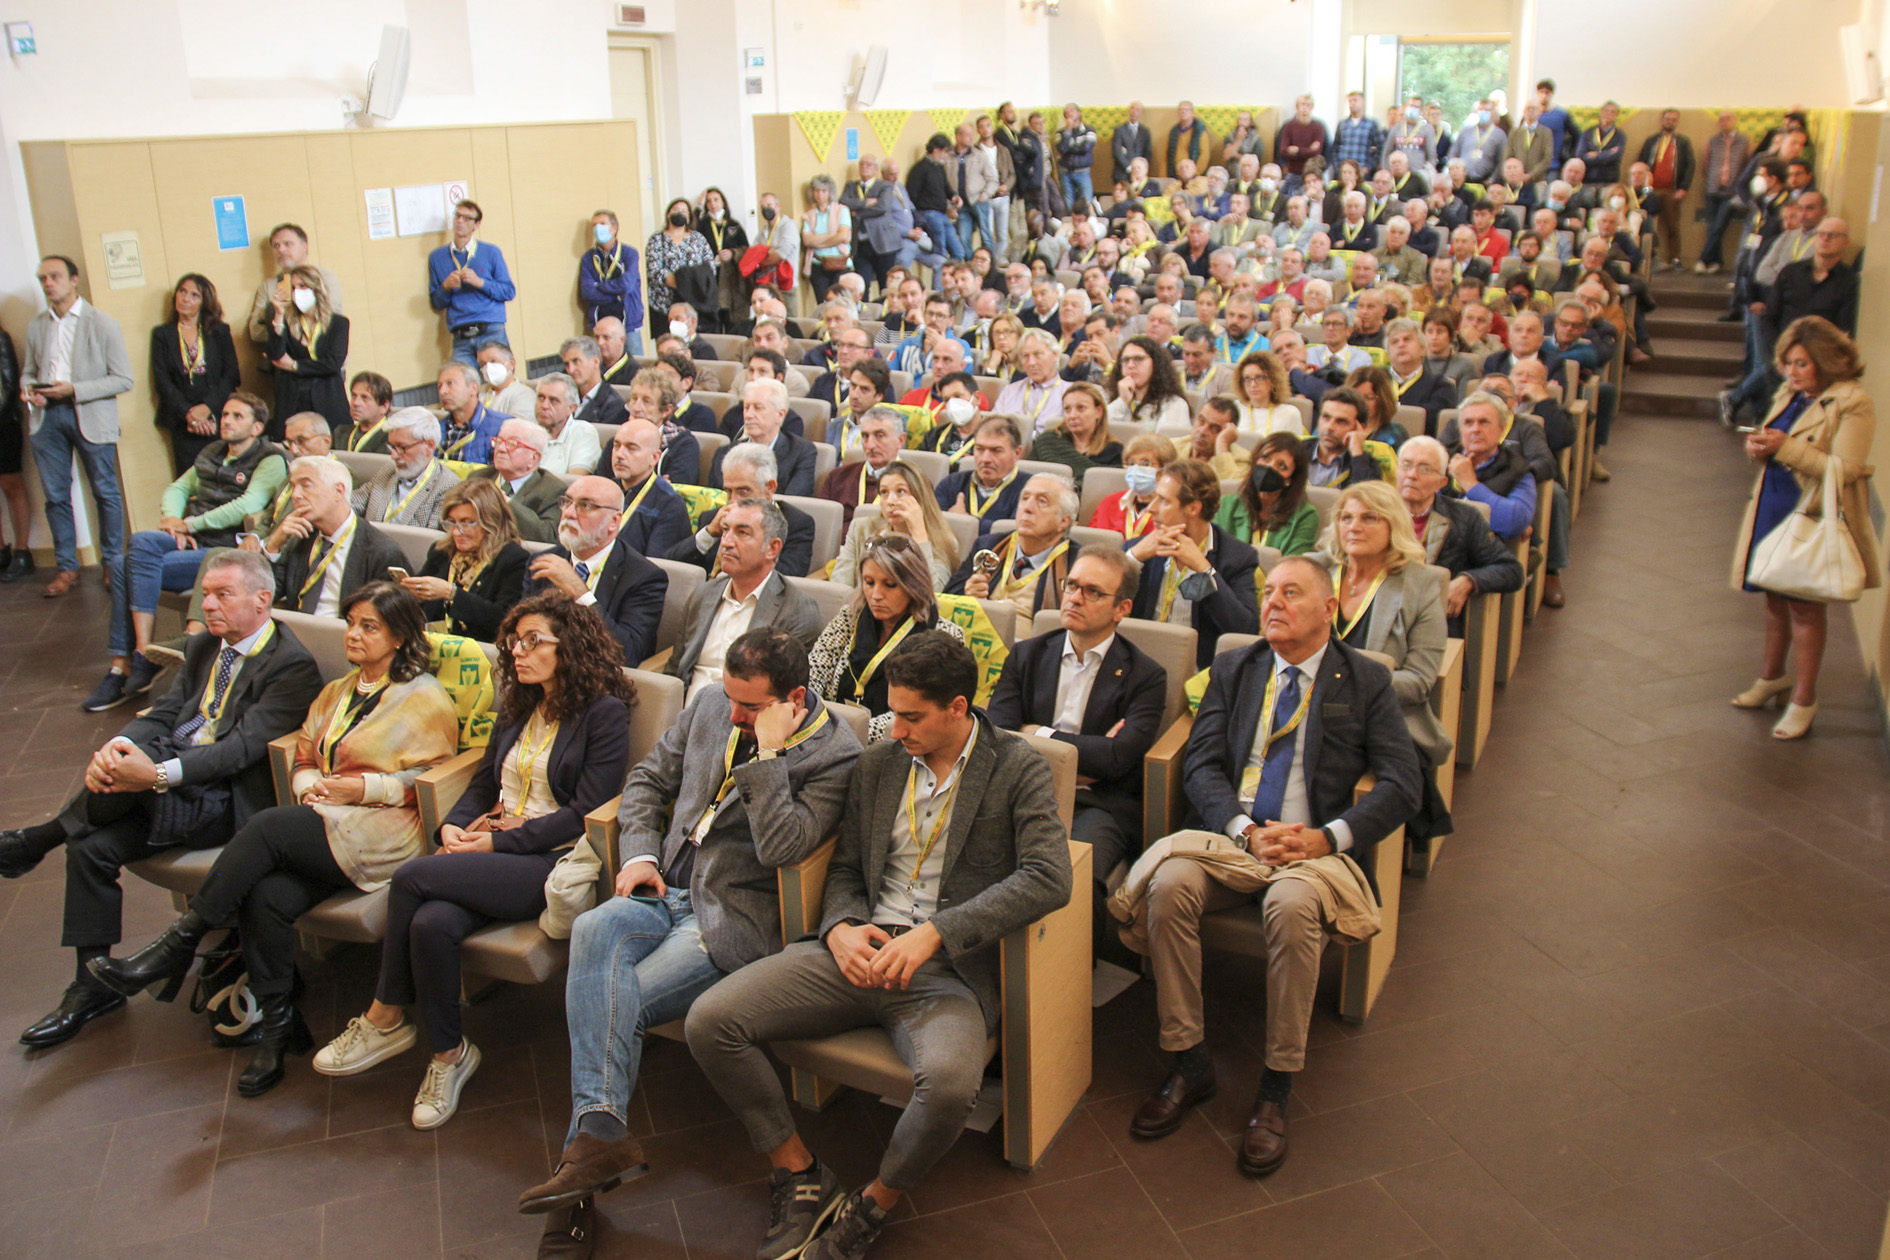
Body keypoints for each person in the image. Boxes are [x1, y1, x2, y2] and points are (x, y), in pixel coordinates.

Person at [684, 631, 1072, 1260]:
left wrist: (937, 933)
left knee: (948, 1086)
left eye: (913, 718)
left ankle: (872, 1205)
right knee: (711, 1021)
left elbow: (1050, 876)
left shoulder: (1017, 766)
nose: (897, 731)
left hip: (943, 969)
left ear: (959, 708)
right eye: (894, 715)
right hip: (856, 949)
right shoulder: (880, 762)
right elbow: (844, 870)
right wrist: (837, 927)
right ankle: (799, 1171)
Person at [517, 627, 861, 1250]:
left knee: (606, 1009)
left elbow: (783, 847)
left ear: (794, 699)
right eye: (730, 699)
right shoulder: (709, 704)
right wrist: (640, 855)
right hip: (660, 886)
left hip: (726, 917)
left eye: (750, 708)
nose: (733, 715)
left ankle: (578, 1185)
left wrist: (769, 756)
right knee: (595, 927)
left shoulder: (837, 755)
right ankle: (596, 1144)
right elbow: (648, 780)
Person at [90, 582, 458, 1094]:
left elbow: (433, 776)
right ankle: (278, 1031)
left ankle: (182, 941)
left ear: (399, 636)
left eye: (368, 626)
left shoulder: (424, 697)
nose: (353, 634)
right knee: (266, 896)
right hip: (323, 819)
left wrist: (361, 787)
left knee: (264, 826)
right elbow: (305, 754)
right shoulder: (337, 691)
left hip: (385, 829)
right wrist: (310, 788)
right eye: (351, 622)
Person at [1134, 555, 1421, 1173]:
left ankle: (1276, 1084)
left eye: (1292, 593)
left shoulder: (1364, 680)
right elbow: (1203, 765)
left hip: (1310, 849)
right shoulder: (1237, 667)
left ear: (1329, 607)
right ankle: (1189, 1060)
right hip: (1236, 839)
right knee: (1168, 885)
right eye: (1269, 592)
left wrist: (1329, 837)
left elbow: (1404, 783)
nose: (1273, 603)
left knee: (1292, 909)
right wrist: (1240, 827)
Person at [316, 594, 634, 1128]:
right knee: (431, 923)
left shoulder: (604, 713)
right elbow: (485, 780)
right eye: (514, 641)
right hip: (491, 845)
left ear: (571, 646)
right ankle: (449, 1055)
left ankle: (386, 1015)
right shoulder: (518, 704)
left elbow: (583, 812)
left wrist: (496, 844)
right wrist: (454, 824)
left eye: (534, 641)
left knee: (413, 876)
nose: (518, 651)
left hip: (546, 859)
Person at [0, 550, 323, 1048]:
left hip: (225, 800)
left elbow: (238, 752)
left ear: (263, 600)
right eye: (206, 594)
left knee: (113, 801)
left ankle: (41, 836)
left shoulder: (290, 666)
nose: (208, 605)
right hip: (173, 782)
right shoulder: (203, 647)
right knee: (89, 849)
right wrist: (119, 748)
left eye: (222, 594)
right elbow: (165, 710)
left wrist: (153, 774)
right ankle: (93, 986)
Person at [86, 390, 288, 713]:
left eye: (238, 416)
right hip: (190, 538)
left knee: (125, 567)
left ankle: (124, 665)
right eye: (224, 415)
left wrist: (191, 524)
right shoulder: (211, 451)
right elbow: (179, 487)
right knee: (139, 543)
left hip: (221, 548)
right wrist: (172, 520)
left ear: (257, 428)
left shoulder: (270, 459)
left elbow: (247, 505)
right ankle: (140, 655)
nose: (226, 421)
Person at [1731, 317, 1878, 739]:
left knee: (1804, 606)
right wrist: (1757, 446)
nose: (1791, 374)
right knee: (1773, 597)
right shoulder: (1791, 392)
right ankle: (1772, 676)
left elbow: (1847, 468)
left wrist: (1786, 448)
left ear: (1828, 363)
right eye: (1788, 364)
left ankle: (1804, 700)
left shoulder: (1852, 401)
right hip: (1774, 501)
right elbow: (1774, 433)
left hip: (1812, 509)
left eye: (1801, 365)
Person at [1316, 481, 1451, 765]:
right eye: (1346, 517)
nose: (1354, 527)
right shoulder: (1313, 571)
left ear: (1394, 526)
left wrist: (1347, 687)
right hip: (1305, 707)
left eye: (1369, 518)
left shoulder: (1421, 585)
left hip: (1378, 718)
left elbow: (1419, 681)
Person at [21, 255, 132, 598]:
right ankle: (66, 566)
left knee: (105, 491)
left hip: (88, 412)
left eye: (54, 276)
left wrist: (75, 390)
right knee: (55, 496)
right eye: (42, 278)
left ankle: (113, 563)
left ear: (73, 279)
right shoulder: (37, 325)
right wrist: (28, 390)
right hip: (47, 416)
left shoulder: (103, 323)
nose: (47, 284)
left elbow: (123, 379)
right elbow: (28, 371)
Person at [809, 535, 969, 740]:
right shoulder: (848, 619)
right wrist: (820, 725)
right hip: (827, 736)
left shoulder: (945, 636)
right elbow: (812, 675)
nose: (875, 594)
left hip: (897, 745)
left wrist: (847, 733)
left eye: (889, 585)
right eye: (869, 582)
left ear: (914, 585)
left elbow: (920, 711)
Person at [669, 498, 823, 699]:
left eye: (742, 533)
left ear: (772, 548)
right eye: (725, 530)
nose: (726, 542)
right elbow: (674, 671)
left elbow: (783, 698)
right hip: (683, 717)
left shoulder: (797, 611)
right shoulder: (703, 594)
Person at [1127, 458, 1260, 666]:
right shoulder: (1139, 548)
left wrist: (1204, 569)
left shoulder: (1236, 558)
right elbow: (1102, 605)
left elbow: (1244, 630)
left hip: (1197, 674)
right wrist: (1133, 559)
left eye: (1163, 501)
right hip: (1138, 666)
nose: (1150, 509)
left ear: (1193, 508)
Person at [527, 475, 668, 665]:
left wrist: (581, 594)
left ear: (613, 521)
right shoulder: (542, 562)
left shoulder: (644, 577)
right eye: (567, 502)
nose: (569, 513)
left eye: (585, 506)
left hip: (598, 681)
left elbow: (629, 654)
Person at [1394, 436, 1523, 635]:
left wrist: (1469, 580)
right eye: (1406, 465)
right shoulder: (1373, 512)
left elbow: (1511, 570)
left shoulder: (1464, 517)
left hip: (1433, 622)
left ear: (1441, 482)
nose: (1412, 475)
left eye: (1425, 468)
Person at [947, 471, 1078, 637]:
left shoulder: (1077, 563)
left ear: (1063, 521)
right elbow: (946, 599)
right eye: (1024, 498)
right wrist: (967, 594)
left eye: (1042, 502)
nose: (1027, 508)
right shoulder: (989, 545)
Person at [272, 455, 406, 615]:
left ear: (338, 491)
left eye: (305, 486)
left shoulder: (381, 551)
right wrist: (274, 546)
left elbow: (389, 616)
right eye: (293, 487)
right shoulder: (300, 536)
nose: (296, 495)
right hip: (296, 631)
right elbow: (265, 595)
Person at [403, 477, 530, 641]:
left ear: (491, 522)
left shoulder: (514, 559)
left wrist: (452, 594)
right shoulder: (441, 552)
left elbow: (503, 620)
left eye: (467, 523)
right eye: (453, 523)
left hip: (480, 652)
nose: (457, 532)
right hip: (432, 644)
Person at [676, 442, 816, 579]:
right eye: (729, 491)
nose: (734, 500)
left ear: (769, 488)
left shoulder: (796, 523)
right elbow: (671, 567)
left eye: (743, 491)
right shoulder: (713, 518)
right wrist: (709, 534)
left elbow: (787, 578)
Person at [151, 273, 240, 473]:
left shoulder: (219, 331)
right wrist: (190, 415)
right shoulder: (163, 335)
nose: (185, 298)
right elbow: (162, 381)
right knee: (191, 481)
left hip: (217, 413)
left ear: (204, 302)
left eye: (194, 295)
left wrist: (207, 408)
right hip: (182, 419)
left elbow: (232, 375)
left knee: (225, 474)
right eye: (182, 291)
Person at [831, 461, 959, 590]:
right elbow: (839, 587)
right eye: (884, 492)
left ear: (920, 497)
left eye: (901, 491)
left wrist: (919, 534)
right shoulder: (861, 528)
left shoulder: (943, 541)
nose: (890, 501)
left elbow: (932, 595)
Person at [427, 200, 515, 367]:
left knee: (498, 379)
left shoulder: (491, 252)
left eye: (467, 218)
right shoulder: (437, 257)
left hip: (490, 329)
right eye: (458, 216)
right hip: (461, 334)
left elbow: (508, 291)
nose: (460, 221)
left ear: (477, 224)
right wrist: (445, 287)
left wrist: (480, 282)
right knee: (462, 385)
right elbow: (436, 303)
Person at [352, 408, 460, 530]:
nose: (394, 455)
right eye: (392, 447)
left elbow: (432, 541)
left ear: (429, 446)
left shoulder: (448, 486)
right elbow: (354, 502)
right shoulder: (389, 471)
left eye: (402, 447)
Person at [1215, 431, 1319, 556]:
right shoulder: (1227, 505)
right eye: (1265, 458)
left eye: (1281, 466)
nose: (1269, 467)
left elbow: (1292, 566)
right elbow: (1216, 554)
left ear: (1290, 480)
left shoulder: (1305, 516)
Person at [609, 418, 694, 558]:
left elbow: (654, 567)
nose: (619, 455)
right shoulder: (604, 492)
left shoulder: (669, 505)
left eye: (631, 448)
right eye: (617, 446)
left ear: (654, 458)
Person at [247, 223, 344, 345]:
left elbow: (328, 322)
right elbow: (256, 332)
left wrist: (280, 328)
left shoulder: (325, 277)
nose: (281, 250)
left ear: (305, 246)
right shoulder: (269, 286)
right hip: (282, 358)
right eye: (276, 246)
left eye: (288, 244)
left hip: (324, 356)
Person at [816, 404, 905, 533]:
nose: (870, 445)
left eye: (879, 435)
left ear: (900, 440)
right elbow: (822, 526)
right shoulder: (838, 477)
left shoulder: (915, 483)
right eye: (865, 436)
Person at [934, 414, 1027, 527]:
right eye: (980, 449)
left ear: (1017, 453)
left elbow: (1012, 534)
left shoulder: (1029, 490)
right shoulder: (951, 483)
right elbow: (934, 525)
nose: (985, 459)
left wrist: (963, 522)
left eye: (996, 451)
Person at [1028, 382, 1121, 487]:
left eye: (1081, 408)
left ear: (1098, 411)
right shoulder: (1048, 441)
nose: (1072, 415)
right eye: (1067, 409)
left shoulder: (1114, 451)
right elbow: (1027, 478)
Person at [623, 363, 702, 486]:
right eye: (634, 398)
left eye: (646, 401)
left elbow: (673, 492)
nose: (636, 408)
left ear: (666, 410)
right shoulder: (618, 440)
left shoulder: (684, 445)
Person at [1088, 433, 1178, 540]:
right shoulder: (1109, 503)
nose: (1136, 469)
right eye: (1131, 463)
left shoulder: (1172, 510)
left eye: (1145, 464)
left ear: (1164, 470)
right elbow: (1090, 544)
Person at [1695, 113, 1754, 274]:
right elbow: (1705, 164)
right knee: (1713, 228)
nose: (1724, 122)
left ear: (1734, 120)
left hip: (1732, 192)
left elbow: (1750, 165)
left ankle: (1703, 259)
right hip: (1713, 189)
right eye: (1721, 119)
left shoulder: (1745, 141)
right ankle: (1716, 262)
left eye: (1728, 119)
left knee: (1719, 226)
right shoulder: (1713, 140)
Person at [578, 209, 644, 347]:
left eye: (602, 224)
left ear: (614, 228)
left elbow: (627, 285)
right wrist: (617, 295)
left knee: (635, 364)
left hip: (628, 321)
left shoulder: (629, 253)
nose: (597, 228)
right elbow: (588, 292)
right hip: (600, 320)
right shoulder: (588, 258)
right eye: (594, 225)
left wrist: (600, 285)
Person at [1304, 387, 1392, 487]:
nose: (1329, 427)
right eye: (1326, 417)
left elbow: (1367, 498)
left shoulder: (1367, 465)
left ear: (1360, 429)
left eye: (1341, 421)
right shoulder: (1296, 452)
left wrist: (1357, 452)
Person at [991, 328, 1069, 436]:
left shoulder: (1069, 393)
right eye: (1026, 356)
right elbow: (993, 429)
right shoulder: (1009, 391)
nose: (1031, 362)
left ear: (1055, 355)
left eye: (1038, 354)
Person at [1107, 335, 1192, 429]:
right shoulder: (1111, 398)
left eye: (1139, 359)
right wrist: (1122, 402)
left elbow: (1164, 442)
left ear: (1155, 363)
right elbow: (1099, 434)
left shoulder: (1174, 404)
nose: (1130, 365)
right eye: (1126, 360)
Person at [558, 335, 630, 432]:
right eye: (567, 364)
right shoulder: (564, 397)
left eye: (576, 361)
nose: (570, 370)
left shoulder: (614, 407)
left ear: (596, 362)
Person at [1231, 351, 1302, 436]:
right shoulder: (1234, 409)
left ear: (1273, 380)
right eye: (1247, 378)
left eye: (1259, 377)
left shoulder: (1290, 413)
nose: (1253, 384)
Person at [476, 342, 537, 423]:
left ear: (511, 363)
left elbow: (520, 430)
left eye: (493, 361)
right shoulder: (478, 392)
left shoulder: (523, 394)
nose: (488, 367)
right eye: (483, 364)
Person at [337, 370, 394, 454]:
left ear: (384, 406)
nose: (355, 403)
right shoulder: (340, 433)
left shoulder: (392, 437)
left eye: (365, 398)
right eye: (354, 396)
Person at [1057, 104, 1099, 212]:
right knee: (1068, 203)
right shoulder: (1061, 132)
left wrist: (1069, 148)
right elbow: (1061, 148)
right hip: (1065, 172)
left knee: (1086, 202)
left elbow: (1086, 148)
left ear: (1079, 113)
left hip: (1083, 171)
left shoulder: (1089, 130)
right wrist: (1068, 131)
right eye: (1066, 112)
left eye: (1072, 110)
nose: (1069, 113)